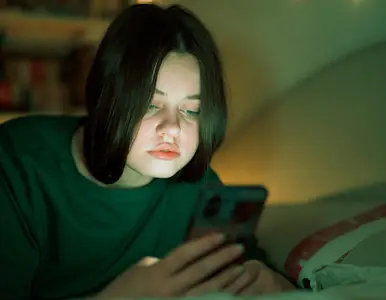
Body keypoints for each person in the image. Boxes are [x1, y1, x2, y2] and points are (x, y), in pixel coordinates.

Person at [0, 4, 296, 299]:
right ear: (108, 97)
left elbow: (250, 269)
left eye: (192, 110)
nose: (173, 128)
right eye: (151, 105)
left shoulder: (200, 189)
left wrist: (276, 285)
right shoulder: (17, 162)